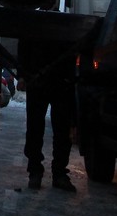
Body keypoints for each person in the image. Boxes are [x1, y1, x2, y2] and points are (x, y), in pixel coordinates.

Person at [18, 38, 78, 191]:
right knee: (39, 128)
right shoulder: (48, 27)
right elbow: (24, 47)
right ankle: (46, 172)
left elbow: (24, 47)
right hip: (47, 80)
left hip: (53, 81)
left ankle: (44, 172)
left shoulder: (41, 26)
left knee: (54, 129)